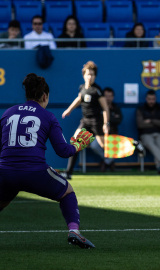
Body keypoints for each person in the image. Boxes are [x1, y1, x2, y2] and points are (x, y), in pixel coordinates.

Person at [0, 73, 96, 248]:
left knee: (2, 201)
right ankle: (74, 232)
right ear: (45, 96)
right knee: (68, 192)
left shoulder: (8, 112)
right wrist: (77, 146)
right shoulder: (48, 116)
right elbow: (63, 151)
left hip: (6, 171)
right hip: (35, 172)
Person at [61, 61, 109, 179]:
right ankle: (68, 172)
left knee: (104, 146)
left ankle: (130, 148)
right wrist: (69, 110)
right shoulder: (82, 88)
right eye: (88, 74)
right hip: (85, 121)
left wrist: (105, 123)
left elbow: (105, 108)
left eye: (92, 74)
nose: (90, 77)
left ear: (95, 76)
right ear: (84, 75)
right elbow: (79, 99)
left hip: (96, 121)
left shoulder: (97, 90)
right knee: (75, 144)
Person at [136, 90, 160, 174]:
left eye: (153, 99)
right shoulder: (140, 109)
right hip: (145, 134)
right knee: (150, 143)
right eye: (149, 99)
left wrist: (150, 121)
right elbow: (140, 124)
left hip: (159, 133)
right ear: (146, 99)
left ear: (155, 99)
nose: (151, 101)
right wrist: (156, 123)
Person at [102, 87, 123, 172]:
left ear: (113, 97)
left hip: (113, 134)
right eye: (106, 96)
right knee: (95, 145)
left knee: (115, 146)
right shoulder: (99, 107)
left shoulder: (116, 108)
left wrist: (107, 120)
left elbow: (119, 120)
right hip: (100, 135)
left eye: (110, 96)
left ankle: (106, 162)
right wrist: (111, 119)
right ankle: (110, 162)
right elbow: (98, 120)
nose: (108, 98)